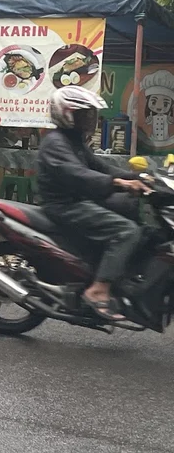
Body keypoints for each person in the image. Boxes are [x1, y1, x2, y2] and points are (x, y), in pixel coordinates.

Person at [37, 85, 151, 322]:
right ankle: (98, 289)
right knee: (127, 231)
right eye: (85, 114)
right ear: (67, 113)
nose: (91, 119)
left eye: (91, 114)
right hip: (65, 205)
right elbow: (78, 174)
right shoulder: (55, 142)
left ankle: (119, 273)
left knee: (131, 207)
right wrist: (118, 183)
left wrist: (140, 178)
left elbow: (102, 168)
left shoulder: (74, 141)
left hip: (79, 200)